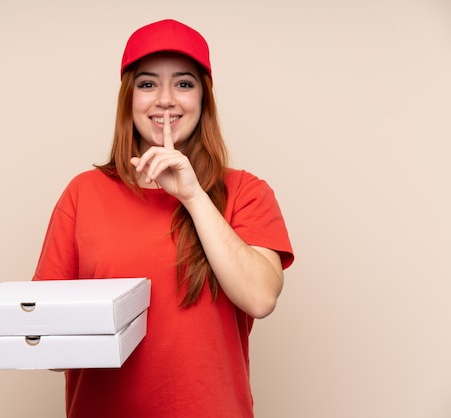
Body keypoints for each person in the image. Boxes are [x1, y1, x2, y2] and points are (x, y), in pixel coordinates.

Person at [33, 18, 294, 418]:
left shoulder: (247, 192)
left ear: (204, 100)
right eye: (148, 83)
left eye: (184, 84)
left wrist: (192, 195)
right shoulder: (83, 194)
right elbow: (47, 347)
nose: (166, 100)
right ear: (129, 98)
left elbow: (260, 298)